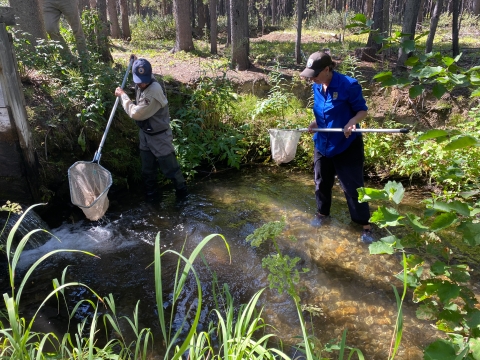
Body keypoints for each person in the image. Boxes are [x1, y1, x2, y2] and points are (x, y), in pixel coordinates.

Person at [300, 51, 375, 244]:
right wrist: (315, 123)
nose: (312, 79)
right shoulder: (317, 86)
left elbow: (362, 110)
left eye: (315, 75)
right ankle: (322, 214)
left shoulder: (348, 85)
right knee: (321, 182)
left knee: (353, 187)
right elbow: (321, 111)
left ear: (327, 69)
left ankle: (365, 226)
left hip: (346, 144)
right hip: (323, 142)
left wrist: (352, 122)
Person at [115, 58, 188, 202]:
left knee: (171, 170)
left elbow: (135, 113)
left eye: (144, 80)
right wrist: (136, 62)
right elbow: (140, 70)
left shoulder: (153, 91)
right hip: (145, 134)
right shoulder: (142, 79)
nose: (142, 83)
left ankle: (183, 197)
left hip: (160, 137)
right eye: (139, 80)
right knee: (147, 171)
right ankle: (152, 199)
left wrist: (123, 96)